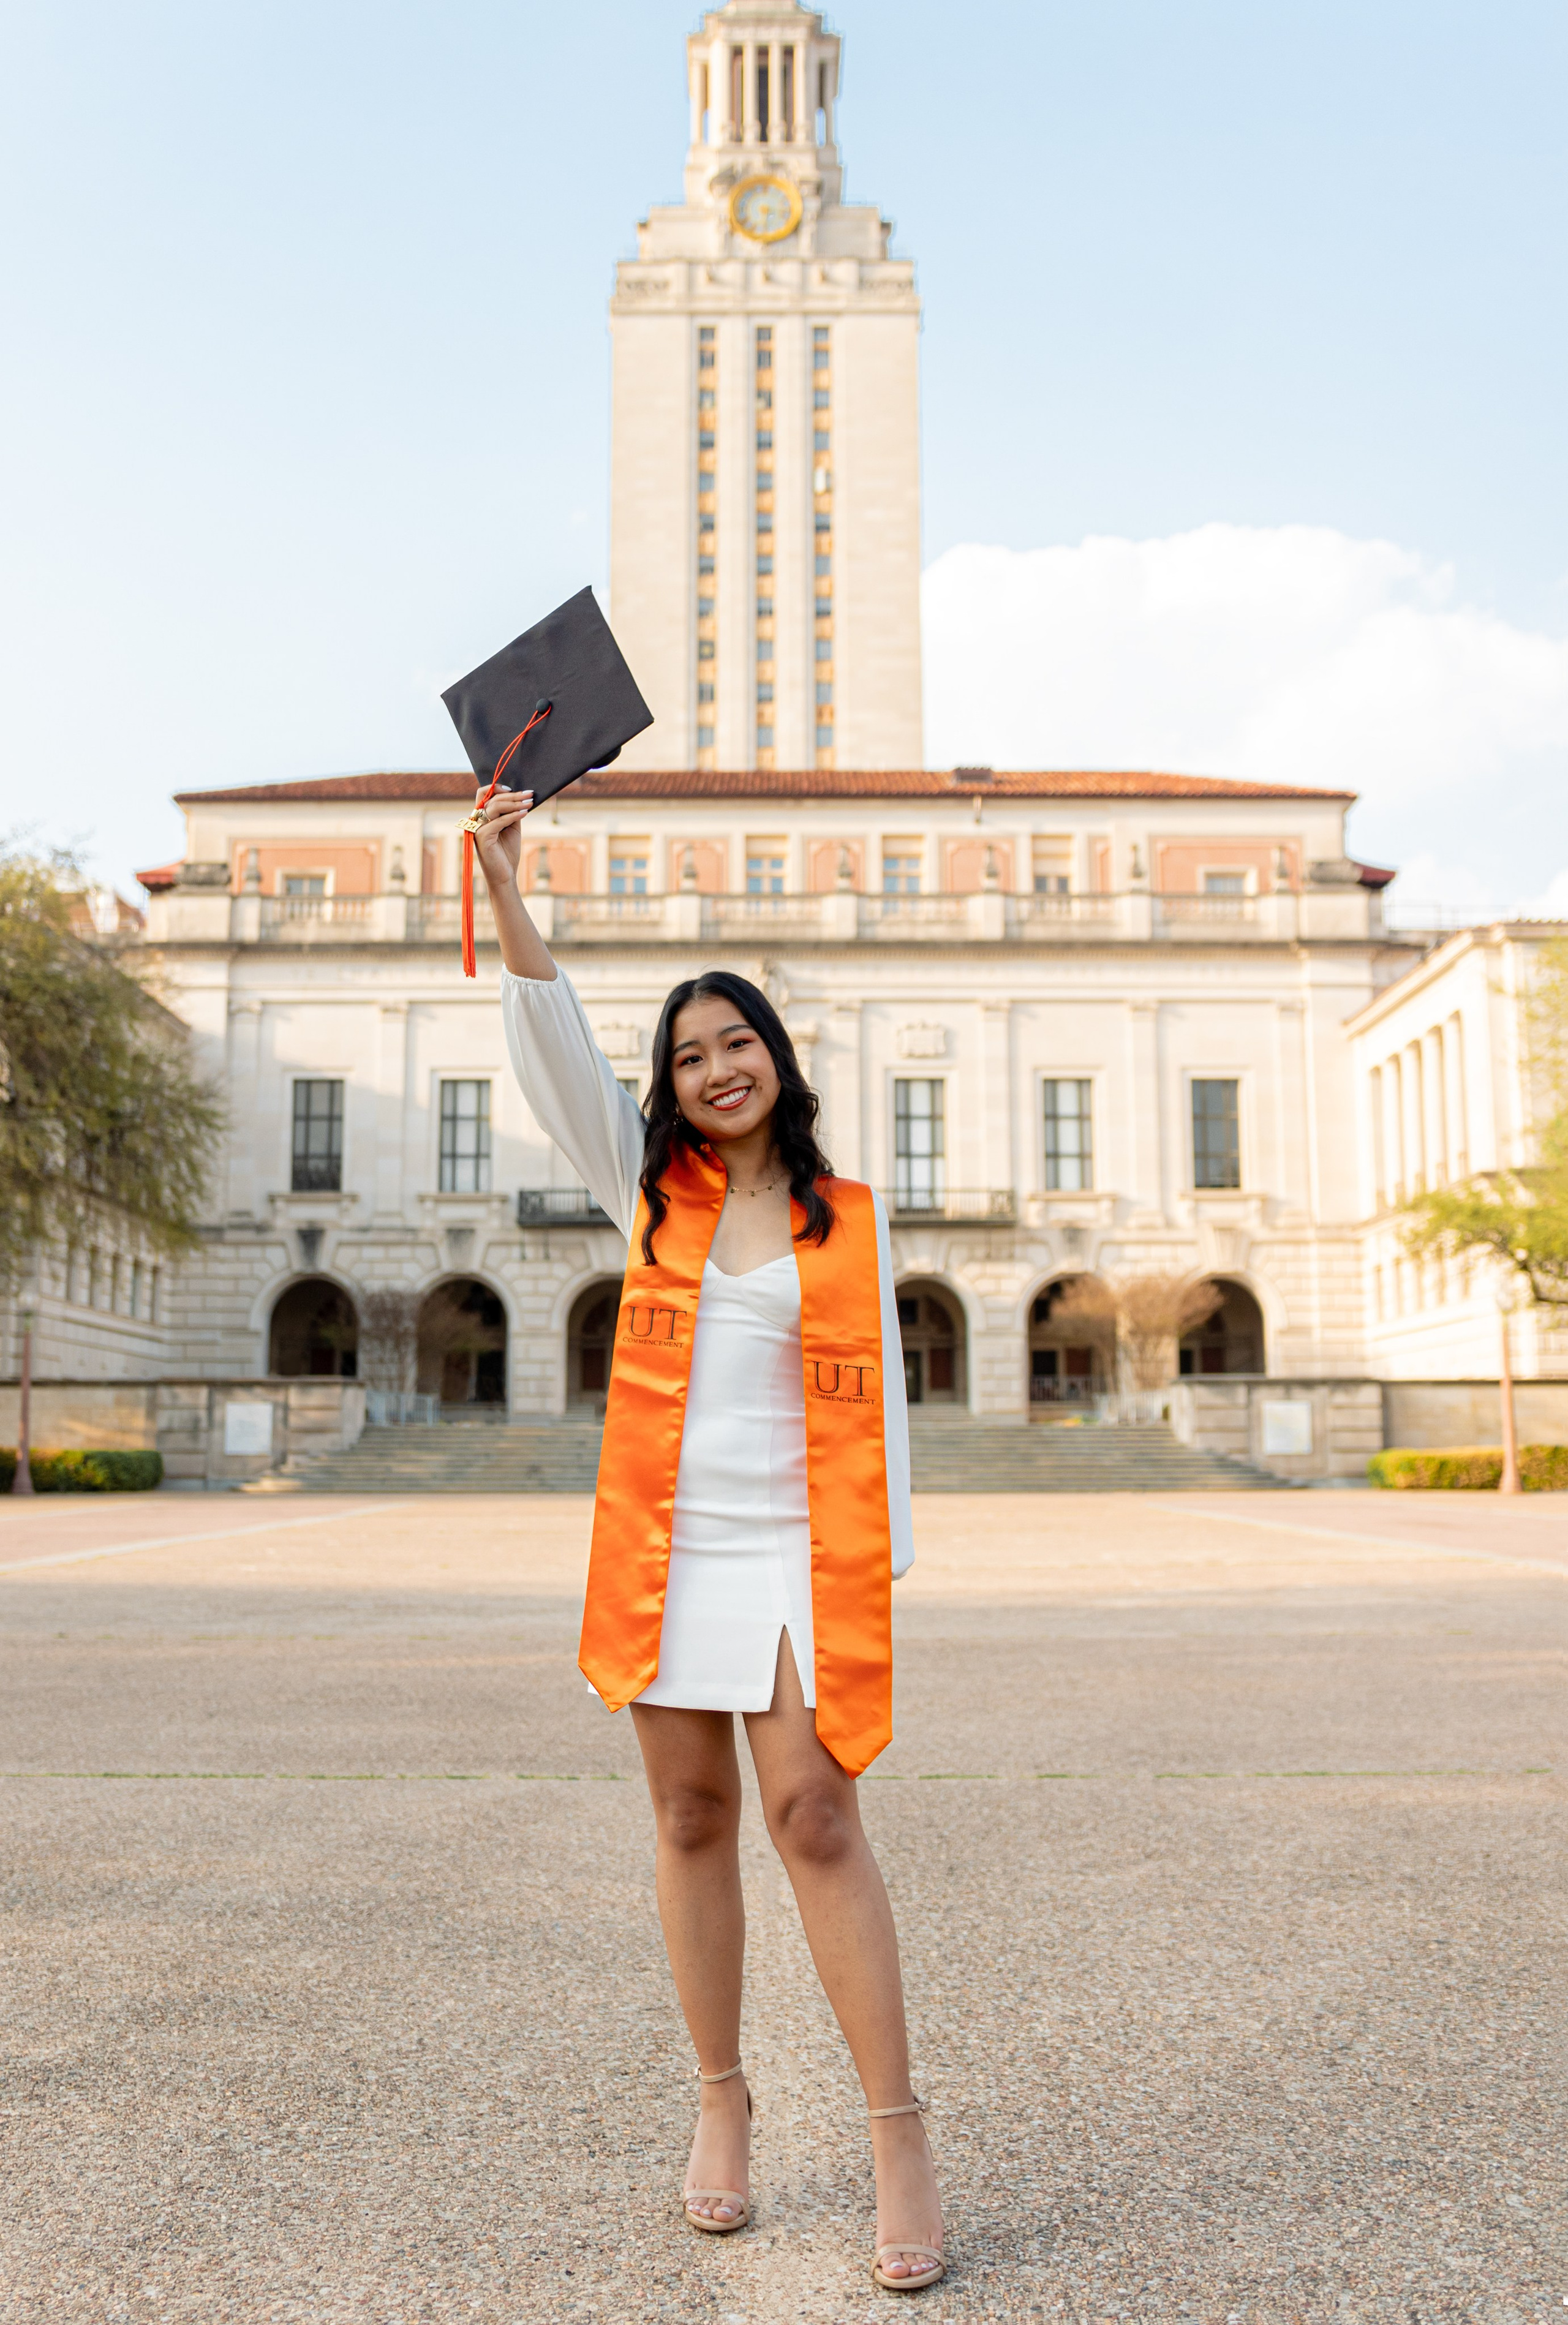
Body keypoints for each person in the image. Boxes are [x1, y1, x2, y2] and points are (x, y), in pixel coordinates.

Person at [474, 783, 945, 2293]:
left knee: (813, 1815)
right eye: (686, 1054)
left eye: (734, 1040)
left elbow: (888, 1424)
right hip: (671, 1547)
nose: (714, 1066)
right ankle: (722, 2100)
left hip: (803, 1548)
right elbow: (549, 1042)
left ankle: (895, 2128)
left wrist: (881, 1577)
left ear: (776, 1058)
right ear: (666, 1088)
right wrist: (500, 878)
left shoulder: (847, 1218)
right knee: (688, 1819)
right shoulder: (649, 1194)